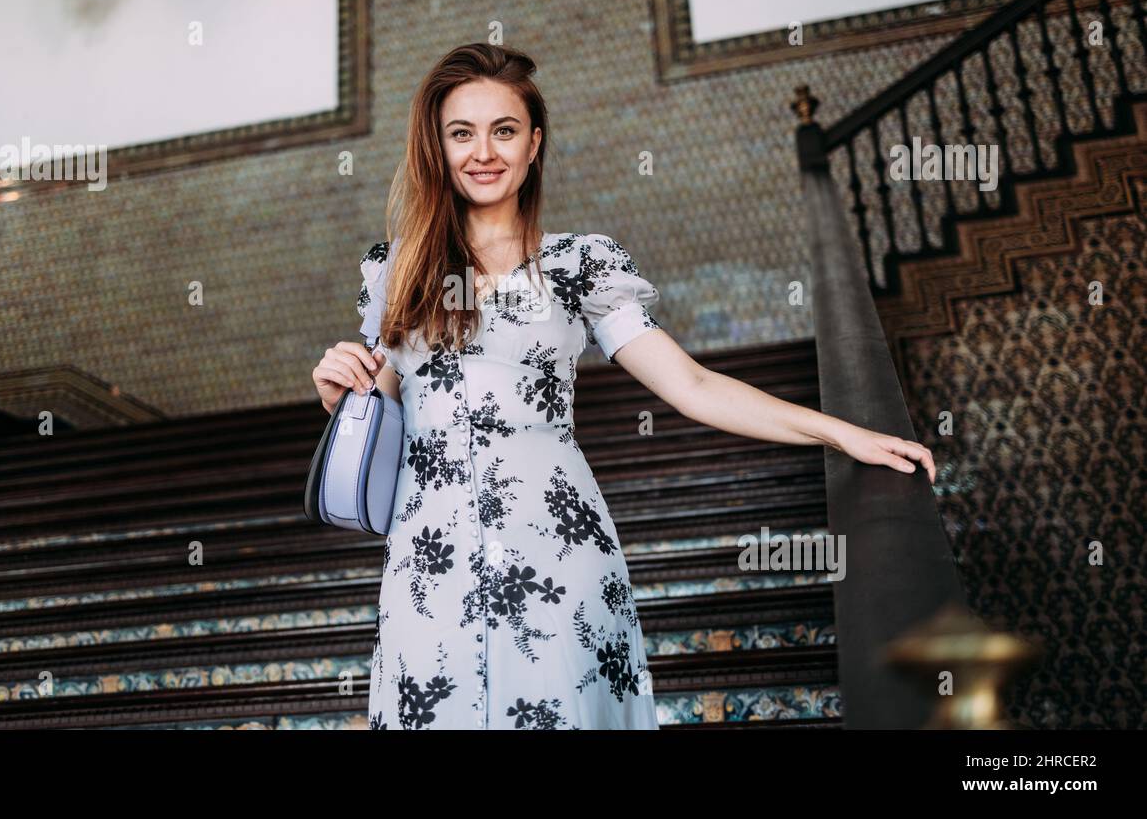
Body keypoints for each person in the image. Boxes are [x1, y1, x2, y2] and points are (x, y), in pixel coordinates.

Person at [311, 43, 936, 730]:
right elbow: (384, 409)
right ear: (438, 145)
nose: (483, 152)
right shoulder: (396, 270)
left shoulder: (582, 264)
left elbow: (692, 385)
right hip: (427, 558)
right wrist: (344, 393)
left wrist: (840, 430)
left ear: (534, 143)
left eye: (504, 130)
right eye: (462, 133)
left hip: (554, 549)